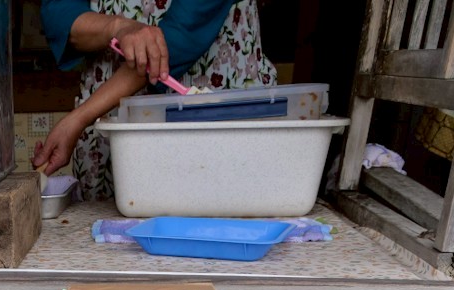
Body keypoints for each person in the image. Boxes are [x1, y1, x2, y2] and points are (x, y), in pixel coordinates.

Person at [33, 1, 276, 200]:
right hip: (110, 123)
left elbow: (182, 32)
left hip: (212, 102)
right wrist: (118, 27)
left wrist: (78, 118)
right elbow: (59, 15)